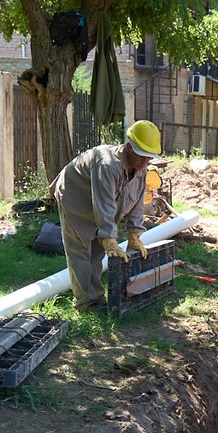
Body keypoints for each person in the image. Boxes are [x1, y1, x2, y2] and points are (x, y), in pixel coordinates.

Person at [50, 120, 161, 310]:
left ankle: (96, 296)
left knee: (97, 253)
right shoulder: (108, 165)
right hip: (75, 196)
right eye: (142, 155)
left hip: (97, 200)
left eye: (150, 157)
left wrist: (134, 234)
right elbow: (104, 203)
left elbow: (136, 201)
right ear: (128, 148)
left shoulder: (141, 169)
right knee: (80, 251)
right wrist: (109, 237)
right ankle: (86, 303)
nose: (146, 161)